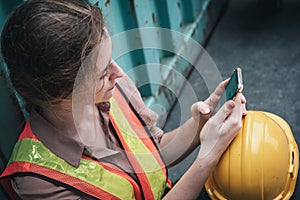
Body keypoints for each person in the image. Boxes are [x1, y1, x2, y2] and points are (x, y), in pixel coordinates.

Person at [0, 0, 247, 199]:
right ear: (59, 94)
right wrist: (207, 157)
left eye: (110, 59)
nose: (118, 73)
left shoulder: (110, 88)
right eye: (101, 73)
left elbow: (155, 150)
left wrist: (201, 124)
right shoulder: (38, 182)